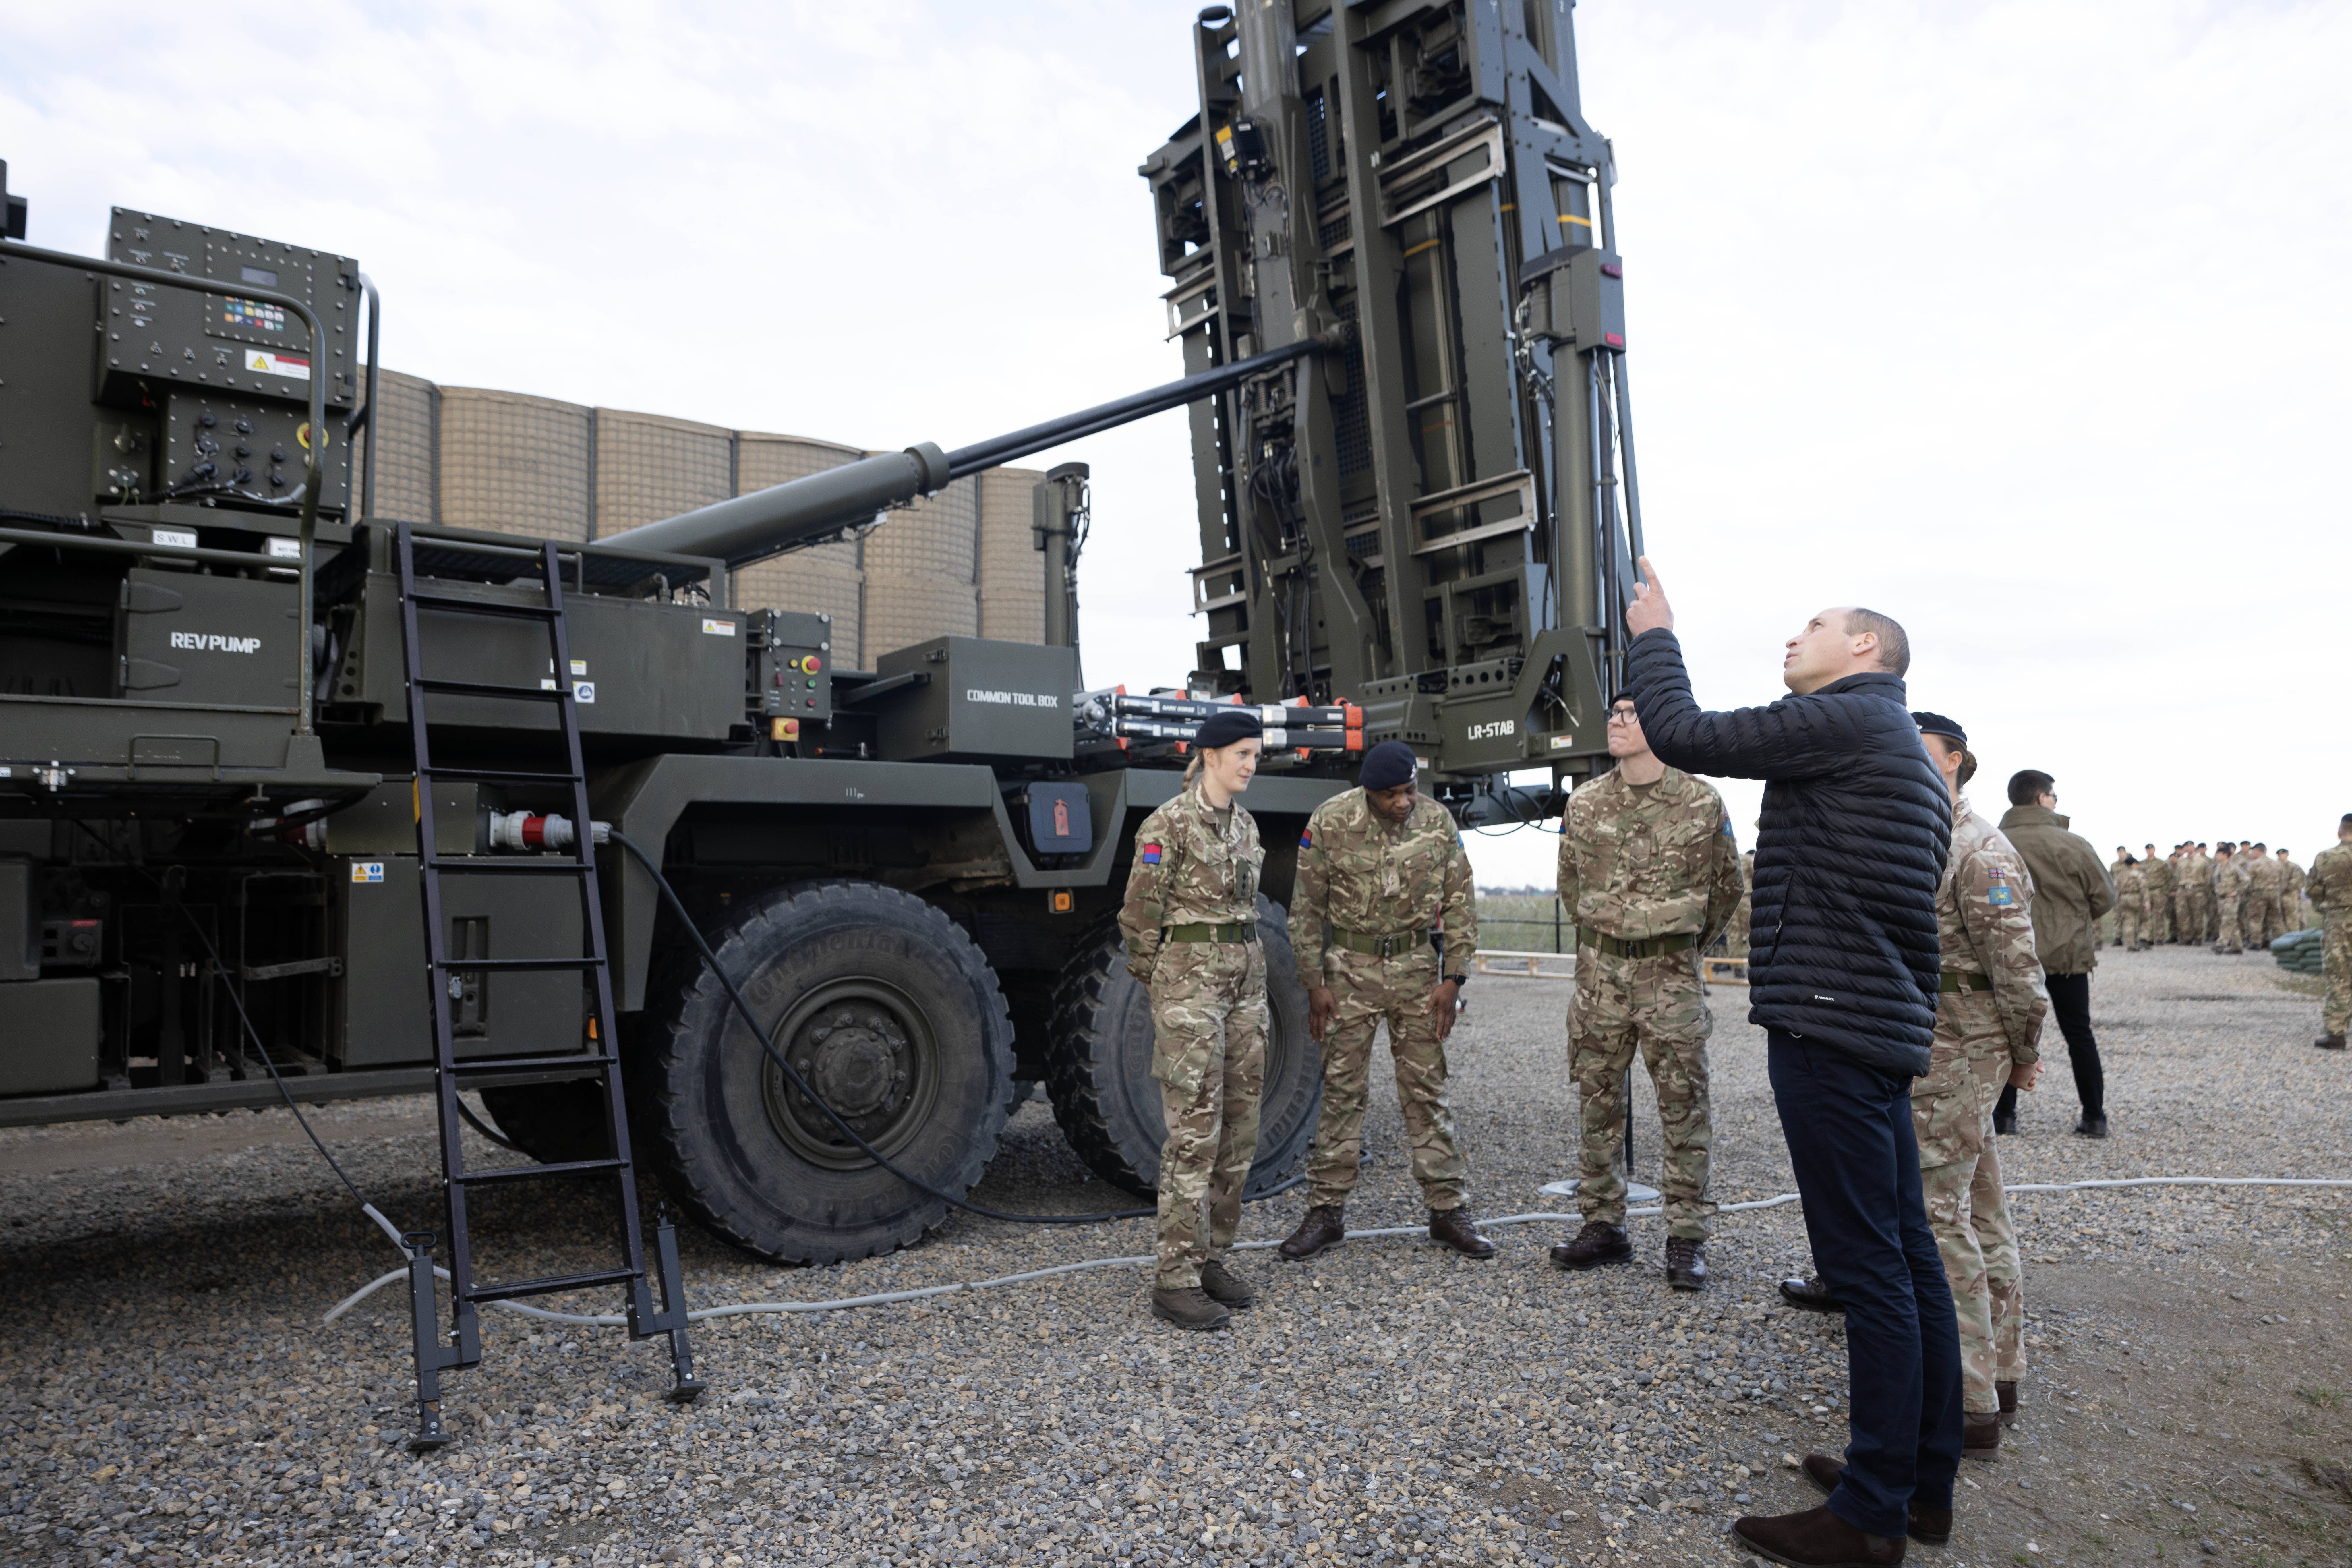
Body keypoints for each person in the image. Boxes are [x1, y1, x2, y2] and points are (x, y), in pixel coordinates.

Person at [1619, 566, 1960, 1567]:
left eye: (1814, 624)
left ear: (1866, 649)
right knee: (1906, 1254)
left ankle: (1870, 1514)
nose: (1792, 637)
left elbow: (1685, 733)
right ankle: (1918, 1481)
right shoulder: (1895, 743)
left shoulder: (1849, 718)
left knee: (1868, 1270)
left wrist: (1655, 635)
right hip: (1872, 1026)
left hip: (1831, 1027)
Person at [1548, 694, 1744, 1291]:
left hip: (1670, 979)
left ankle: (1686, 1237)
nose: (1615, 720)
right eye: (1612, 711)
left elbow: (1727, 887)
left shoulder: (1701, 801)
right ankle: (1602, 1225)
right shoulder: (1584, 803)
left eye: (1629, 712)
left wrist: (1677, 942)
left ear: (1659, 722)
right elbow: (1569, 885)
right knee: (1597, 1104)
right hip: (1600, 978)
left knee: (1684, 1108)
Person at [1280, 739, 1494, 1262]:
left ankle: (1447, 1210)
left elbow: (1461, 902)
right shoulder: (1331, 821)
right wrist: (1313, 982)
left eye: (1410, 791)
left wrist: (1454, 977)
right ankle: (1326, 1212)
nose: (1403, 802)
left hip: (1417, 970)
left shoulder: (1437, 822)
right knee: (1342, 1092)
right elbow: (1306, 908)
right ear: (1369, 793)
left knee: (1427, 1091)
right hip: (1348, 971)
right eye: (1391, 795)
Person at [1909, 715, 2045, 1463]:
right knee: (1982, 1203)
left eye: (1918, 746)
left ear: (1955, 759)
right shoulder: (1924, 832)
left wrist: (2024, 1054)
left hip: (1961, 1045)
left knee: (1939, 1217)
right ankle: (2003, 1373)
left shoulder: (1979, 848)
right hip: (1937, 1040)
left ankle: (1967, 1403)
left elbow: (2018, 970)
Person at [1117, 709, 1271, 1330]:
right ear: (1210, 756)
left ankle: (1210, 1258)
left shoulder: (1247, 826)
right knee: (1195, 1133)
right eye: (1242, 754)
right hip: (1191, 990)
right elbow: (1139, 915)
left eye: (1255, 755)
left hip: (1245, 987)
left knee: (1240, 1128)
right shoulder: (1169, 824)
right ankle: (1175, 1279)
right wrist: (1164, 984)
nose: (1251, 765)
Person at [1994, 772, 2115, 1139]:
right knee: (2078, 1034)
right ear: (2040, 799)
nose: (2055, 803)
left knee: (2006, 1035)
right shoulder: (2073, 844)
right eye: (2054, 797)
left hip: (2010, 955)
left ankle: (2004, 1118)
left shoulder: (1993, 841)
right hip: (2066, 955)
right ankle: (2093, 1116)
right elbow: (2104, 897)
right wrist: (2070, 920)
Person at [2311, 816, 2352, 1051]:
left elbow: (2312, 889)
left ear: (2340, 832)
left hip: (2338, 923)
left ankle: (2337, 1034)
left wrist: (2327, 905)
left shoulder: (2325, 857)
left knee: (2340, 976)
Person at [2210, 842, 2248, 955]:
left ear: (2226, 854)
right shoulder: (2219, 867)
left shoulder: (2235, 867)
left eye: (2219, 853)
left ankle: (2221, 945)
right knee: (2232, 923)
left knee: (2227, 921)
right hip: (2221, 898)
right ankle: (2237, 947)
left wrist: (2237, 892)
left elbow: (2246, 880)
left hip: (2231, 899)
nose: (2217, 855)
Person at [2244, 843, 2282, 950]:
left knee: (2256, 919)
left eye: (2253, 851)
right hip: (2274, 894)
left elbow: (2248, 881)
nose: (2252, 853)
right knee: (2276, 919)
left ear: (2257, 851)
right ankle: (2278, 942)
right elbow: (2282, 880)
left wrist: (2247, 893)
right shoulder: (2277, 864)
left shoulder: (2254, 864)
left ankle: (2256, 942)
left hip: (2258, 894)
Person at [2111, 852, 2144, 952]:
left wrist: (2118, 901)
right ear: (2134, 864)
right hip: (2135, 898)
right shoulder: (2138, 874)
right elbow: (2143, 887)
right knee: (2141, 920)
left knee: (2129, 922)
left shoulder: (2121, 875)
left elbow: (2117, 889)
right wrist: (2146, 901)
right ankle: (2141, 940)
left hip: (2123, 899)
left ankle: (2131, 944)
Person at [2142, 844, 2173, 945]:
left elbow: (2169, 876)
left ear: (2154, 850)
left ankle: (2160, 938)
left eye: (2151, 849)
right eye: (2148, 849)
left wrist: (2165, 890)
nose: (2149, 851)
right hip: (2147, 892)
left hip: (2158, 891)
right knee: (2147, 916)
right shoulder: (2142, 864)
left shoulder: (2161, 863)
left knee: (2159, 915)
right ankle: (2149, 938)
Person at [2278, 848, 2309, 933]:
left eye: (2282, 854)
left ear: (2287, 854)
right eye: (2279, 855)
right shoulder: (2277, 866)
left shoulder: (2294, 866)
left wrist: (2299, 890)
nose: (2280, 856)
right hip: (2280, 896)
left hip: (2292, 895)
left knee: (2296, 917)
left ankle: (2299, 934)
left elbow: (2299, 879)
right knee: (2282, 918)